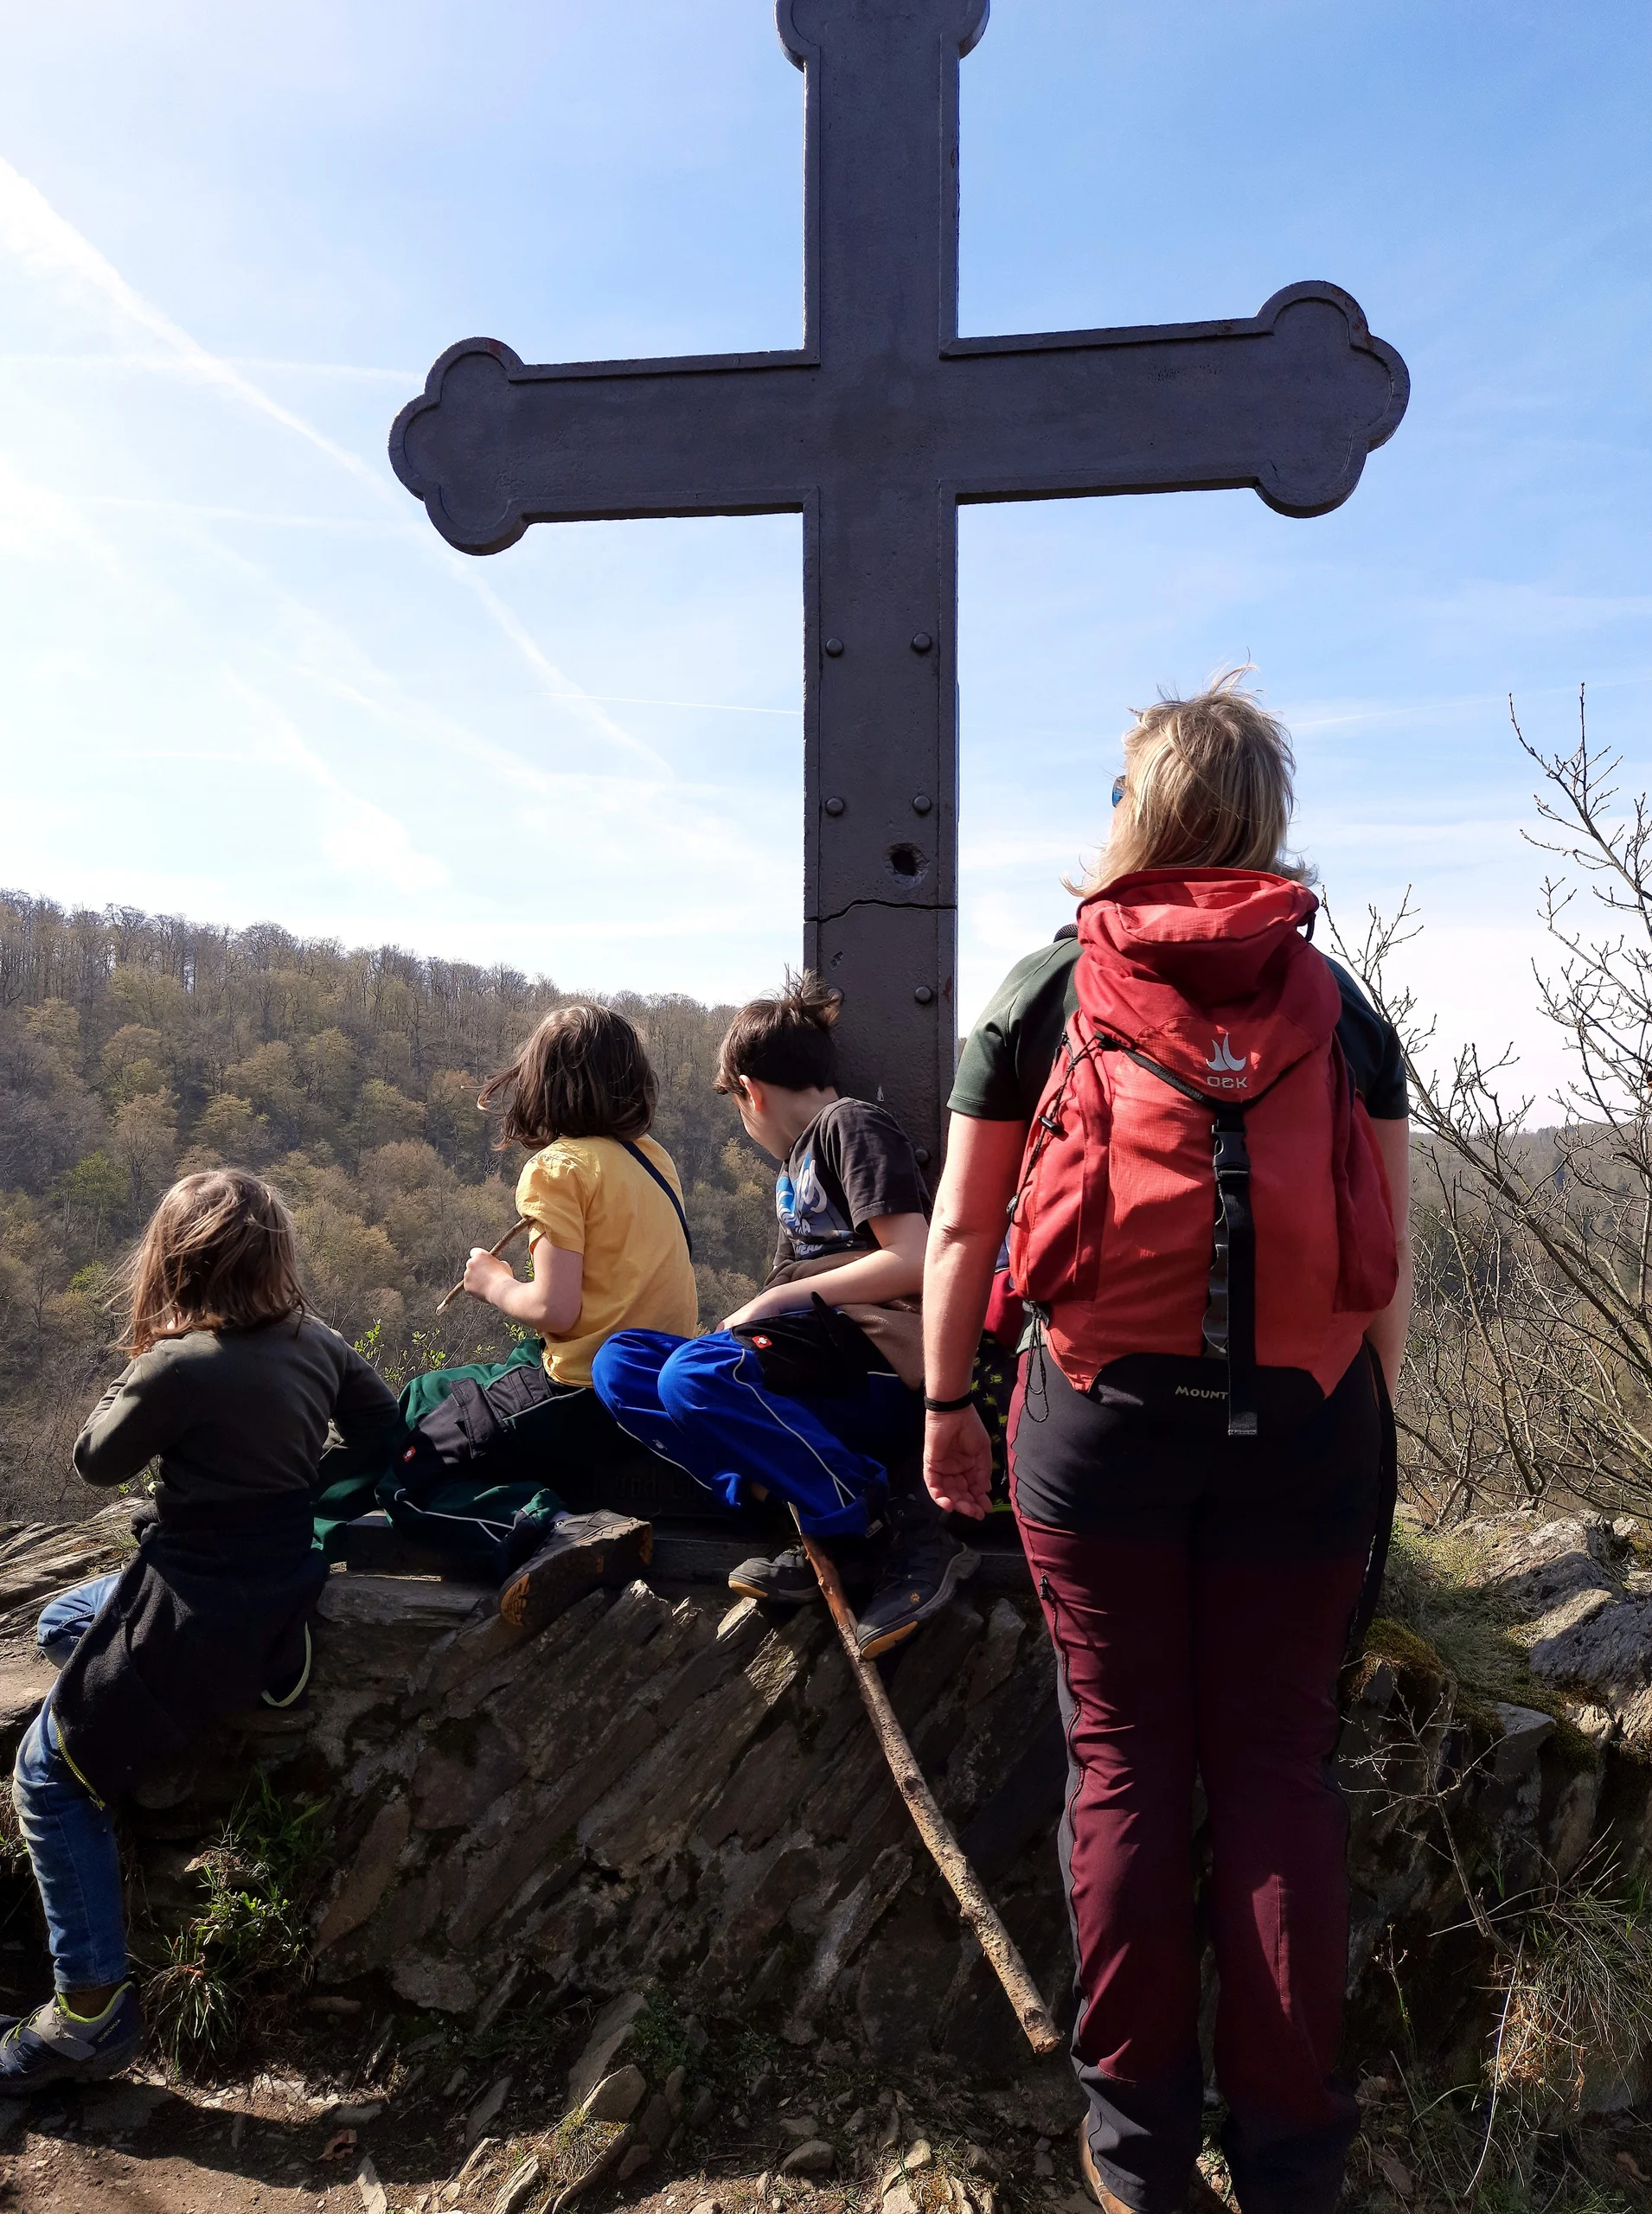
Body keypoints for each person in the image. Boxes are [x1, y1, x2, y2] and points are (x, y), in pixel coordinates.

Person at [920, 673, 1411, 2214]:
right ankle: (1293, 2161)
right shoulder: (1342, 1010)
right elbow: (1378, 1262)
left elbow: (962, 1232)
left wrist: (947, 1406)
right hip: (1306, 1431)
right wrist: (1362, 1438)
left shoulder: (1046, 988)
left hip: (1102, 1427)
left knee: (1126, 1760)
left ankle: (1137, 2153)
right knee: (1279, 1772)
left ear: (1134, 814)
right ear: (1267, 820)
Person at [3, 1171, 403, 2091]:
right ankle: (232, 1675)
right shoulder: (319, 1343)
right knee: (65, 1621)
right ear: (276, 1260)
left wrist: (145, 1358)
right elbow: (384, 1435)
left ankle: (88, 2015)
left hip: (191, 1595)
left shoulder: (178, 1366)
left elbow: (96, 1461)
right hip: (279, 1577)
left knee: (48, 1775)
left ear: (173, 1265)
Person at [592, 976, 979, 1655]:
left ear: (752, 1092)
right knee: (622, 1363)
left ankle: (862, 1513)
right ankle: (785, 1494)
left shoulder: (851, 1125)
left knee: (691, 1377)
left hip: (875, 1356)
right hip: (818, 1354)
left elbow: (916, 1258)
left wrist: (772, 1302)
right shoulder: (791, 1173)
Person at [379, 1001, 701, 1616]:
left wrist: (493, 1282)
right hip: (646, 1383)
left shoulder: (556, 1170)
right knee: (431, 1391)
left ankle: (552, 1529)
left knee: (411, 1474)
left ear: (541, 1086)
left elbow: (555, 1308)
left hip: (582, 1396)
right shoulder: (652, 1158)